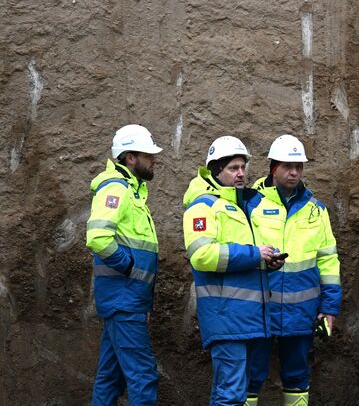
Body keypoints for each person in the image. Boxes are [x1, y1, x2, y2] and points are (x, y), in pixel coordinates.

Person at [184, 135, 283, 406]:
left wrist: (267, 262)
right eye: (233, 168)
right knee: (230, 394)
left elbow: (241, 258)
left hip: (247, 317)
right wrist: (255, 254)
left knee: (233, 393)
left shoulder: (239, 206)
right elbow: (202, 255)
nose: (241, 174)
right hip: (225, 316)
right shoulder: (203, 206)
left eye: (242, 167)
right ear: (216, 170)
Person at [245, 134, 341, 406]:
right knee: (251, 376)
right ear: (273, 167)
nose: (294, 172)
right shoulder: (249, 203)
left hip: (302, 311)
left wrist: (330, 308)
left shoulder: (316, 210)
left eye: (299, 166)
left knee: (298, 376)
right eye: (288, 166)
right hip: (259, 308)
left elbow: (329, 262)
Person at [85, 123, 165, 406]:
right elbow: (97, 237)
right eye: (147, 154)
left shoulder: (132, 192)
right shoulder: (117, 189)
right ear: (130, 158)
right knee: (143, 376)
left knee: (110, 377)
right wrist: (127, 265)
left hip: (128, 301)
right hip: (124, 302)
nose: (154, 159)